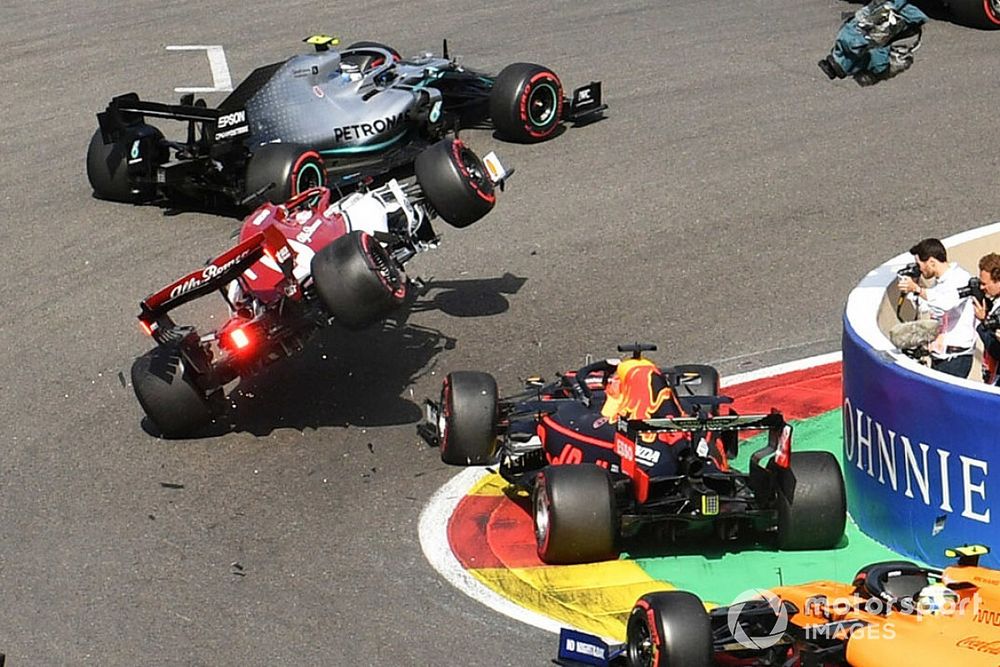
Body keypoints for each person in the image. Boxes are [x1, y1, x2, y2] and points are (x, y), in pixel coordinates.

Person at [897, 238, 976, 378]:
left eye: (920, 265)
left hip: (956, 358)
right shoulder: (937, 284)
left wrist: (917, 289)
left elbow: (945, 305)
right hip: (939, 355)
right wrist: (911, 290)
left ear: (932, 262)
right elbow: (926, 308)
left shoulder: (961, 278)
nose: (920, 269)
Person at [973, 253, 1000, 385]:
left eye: (984, 284)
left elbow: (997, 351)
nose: (981, 287)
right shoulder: (994, 301)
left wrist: (983, 322)